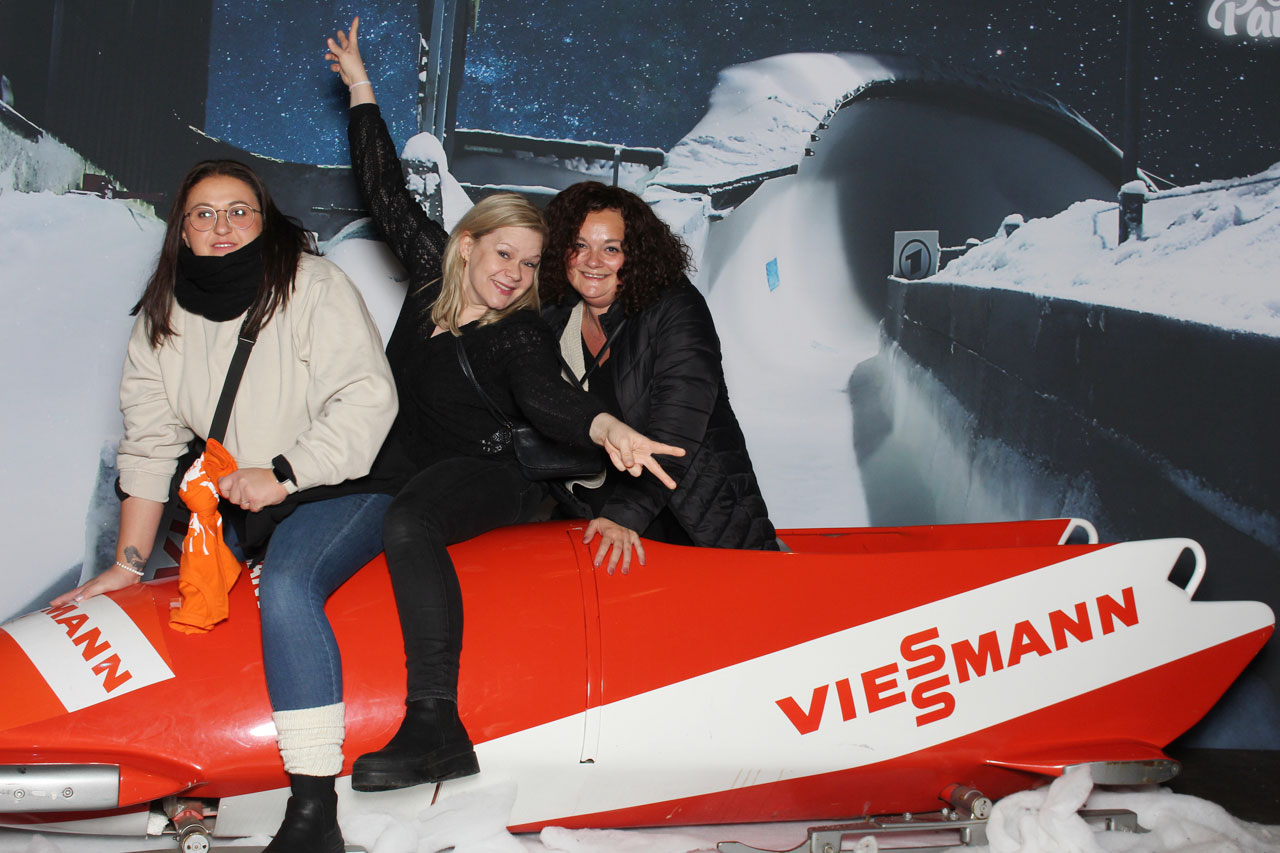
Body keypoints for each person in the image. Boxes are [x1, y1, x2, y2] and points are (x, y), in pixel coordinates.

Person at [325, 19, 683, 795]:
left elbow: (546, 395)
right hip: (415, 456)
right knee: (299, 498)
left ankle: (435, 726)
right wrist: (359, 87)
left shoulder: (516, 333)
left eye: (530, 263)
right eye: (503, 254)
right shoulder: (431, 273)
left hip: (497, 472)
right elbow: (385, 192)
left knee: (410, 521)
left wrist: (604, 425)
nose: (516, 274)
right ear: (466, 246)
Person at [52, 160, 399, 852]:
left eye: (239, 211)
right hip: (244, 495)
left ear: (263, 221)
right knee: (191, 600)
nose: (222, 226)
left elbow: (367, 399)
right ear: (181, 229)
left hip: (342, 482)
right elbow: (151, 444)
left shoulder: (314, 285)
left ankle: (314, 810)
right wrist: (127, 564)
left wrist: (285, 472)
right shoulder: (163, 316)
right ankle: (190, 770)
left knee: (290, 586)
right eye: (204, 213)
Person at [540, 182, 780, 570]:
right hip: (599, 519)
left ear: (635, 254)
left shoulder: (676, 308)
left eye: (611, 248)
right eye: (579, 245)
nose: (592, 261)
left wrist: (624, 516)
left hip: (693, 519)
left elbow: (676, 431)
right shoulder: (554, 315)